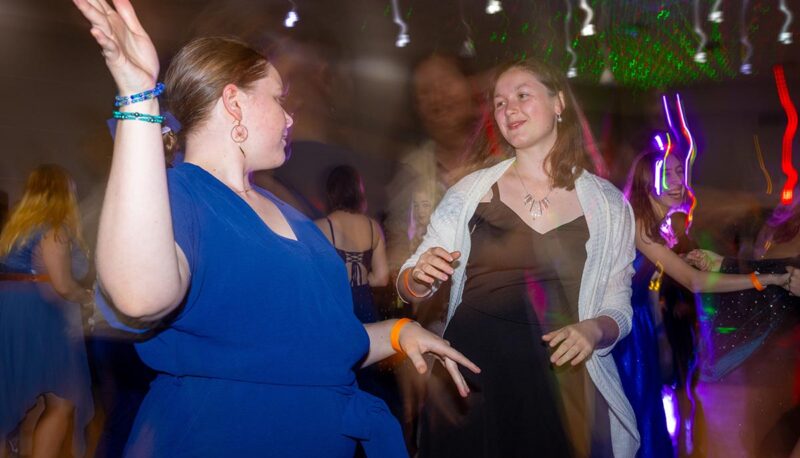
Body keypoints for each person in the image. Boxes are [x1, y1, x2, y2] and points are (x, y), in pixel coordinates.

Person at [71, 0, 478, 456]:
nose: (290, 117)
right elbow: (139, 296)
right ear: (234, 101)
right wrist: (138, 94)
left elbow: (317, 343)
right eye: (278, 98)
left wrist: (401, 332)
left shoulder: (296, 219)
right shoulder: (177, 196)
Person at [398, 58, 639, 457]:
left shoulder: (609, 205)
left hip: (559, 387)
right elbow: (410, 282)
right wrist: (419, 276)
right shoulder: (469, 193)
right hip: (471, 382)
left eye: (522, 96)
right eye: (498, 103)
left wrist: (593, 331)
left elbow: (619, 308)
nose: (508, 109)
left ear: (558, 102)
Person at [623, 146, 791, 457]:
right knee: (639, 419)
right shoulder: (638, 224)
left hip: (640, 326)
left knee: (647, 416)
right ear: (647, 181)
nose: (677, 180)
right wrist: (763, 280)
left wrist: (683, 258)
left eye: (679, 171)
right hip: (627, 333)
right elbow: (694, 282)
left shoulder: (655, 227)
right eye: (667, 173)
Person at [0, 165, 94, 458]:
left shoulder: (15, 229)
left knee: (15, 401)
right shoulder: (54, 229)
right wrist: (89, 298)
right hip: (41, 317)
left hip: (10, 313)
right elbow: (63, 285)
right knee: (63, 401)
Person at [315, 165, 389, 324]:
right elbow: (382, 279)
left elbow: (312, 277)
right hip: (365, 305)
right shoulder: (373, 227)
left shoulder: (319, 227)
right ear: (359, 192)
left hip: (336, 305)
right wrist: (361, 281)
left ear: (331, 192)